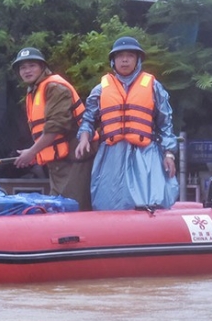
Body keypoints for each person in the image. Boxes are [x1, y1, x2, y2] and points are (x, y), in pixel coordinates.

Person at [75, 37, 179, 210]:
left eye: (130, 55)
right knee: (108, 202)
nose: (124, 60)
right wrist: (84, 138)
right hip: (111, 154)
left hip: (146, 153)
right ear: (113, 61)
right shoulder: (100, 89)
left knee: (153, 198)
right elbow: (88, 119)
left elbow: (165, 123)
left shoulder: (153, 86)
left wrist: (169, 154)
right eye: (120, 56)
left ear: (137, 60)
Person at [12, 47, 96, 211]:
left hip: (76, 158)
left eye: (32, 65)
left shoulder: (54, 88)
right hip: (58, 162)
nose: (27, 70)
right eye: (22, 67)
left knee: (73, 208)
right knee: (59, 209)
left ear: (42, 67)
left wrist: (32, 152)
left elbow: (55, 127)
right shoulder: (35, 91)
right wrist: (37, 153)